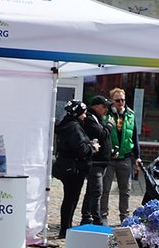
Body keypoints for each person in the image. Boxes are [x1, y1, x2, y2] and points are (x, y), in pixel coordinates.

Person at [53, 99, 96, 238]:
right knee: (71, 199)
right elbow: (80, 149)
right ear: (77, 113)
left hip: (67, 167)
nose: (85, 116)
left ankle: (66, 227)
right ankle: (66, 229)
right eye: (83, 113)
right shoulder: (74, 127)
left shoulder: (66, 125)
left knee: (69, 199)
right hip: (74, 169)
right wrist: (92, 147)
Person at [99, 87, 140, 224]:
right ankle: (103, 216)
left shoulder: (130, 114)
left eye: (123, 99)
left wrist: (137, 156)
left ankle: (124, 217)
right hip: (110, 159)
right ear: (112, 101)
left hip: (126, 157)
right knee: (105, 189)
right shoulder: (106, 115)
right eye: (117, 100)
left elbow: (134, 136)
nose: (121, 102)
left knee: (125, 190)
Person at [79, 95, 110, 226]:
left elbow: (104, 136)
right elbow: (101, 134)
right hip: (95, 162)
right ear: (95, 106)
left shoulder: (99, 118)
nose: (106, 110)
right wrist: (109, 126)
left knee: (91, 191)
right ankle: (96, 218)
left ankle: (86, 216)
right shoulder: (90, 119)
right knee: (97, 191)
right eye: (104, 107)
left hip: (102, 161)